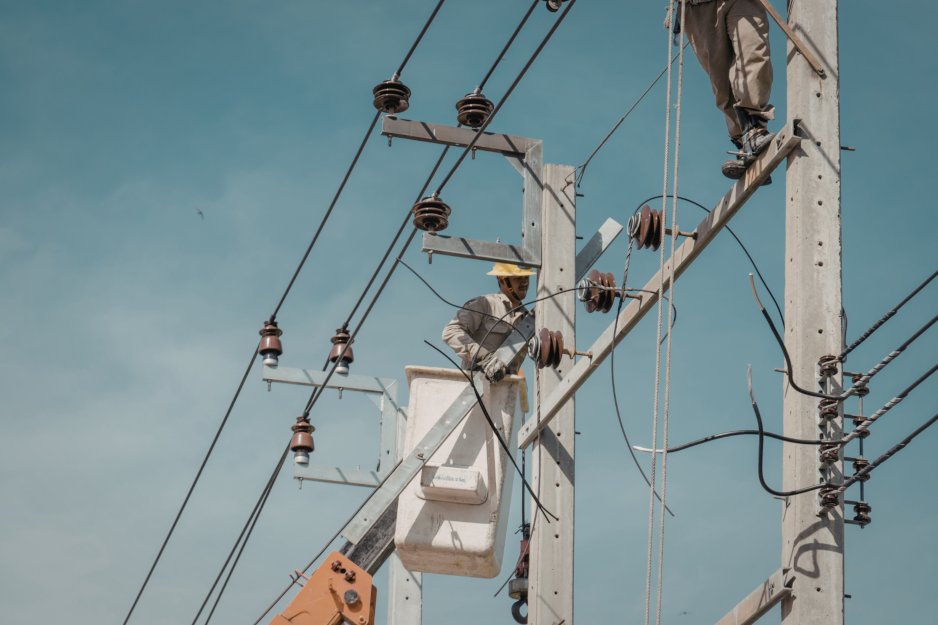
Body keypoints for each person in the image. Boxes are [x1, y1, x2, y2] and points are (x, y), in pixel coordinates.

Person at [676, 0, 775, 179]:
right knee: (721, 81)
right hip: (698, 7)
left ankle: (753, 128)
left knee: (752, 53)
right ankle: (743, 140)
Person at [442, 263, 534, 382]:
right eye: (518, 278)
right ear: (502, 279)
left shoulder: (528, 320)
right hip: (474, 387)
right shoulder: (484, 304)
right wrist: (483, 356)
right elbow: (451, 332)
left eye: (526, 277)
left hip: (505, 391)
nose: (524, 282)